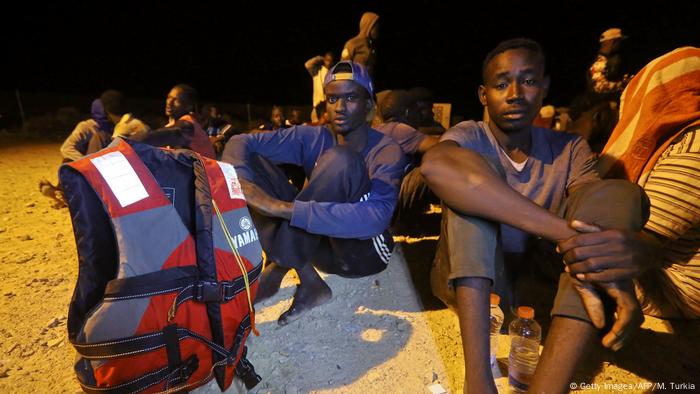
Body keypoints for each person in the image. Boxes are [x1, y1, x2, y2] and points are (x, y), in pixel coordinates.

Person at [420, 38, 648, 393]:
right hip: (474, 282)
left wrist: (616, 258)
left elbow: (597, 208)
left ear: (544, 87)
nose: (514, 93)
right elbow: (436, 166)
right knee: (470, 207)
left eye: (527, 81)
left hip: (533, 286)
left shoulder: (568, 148)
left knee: (620, 194)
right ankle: (477, 379)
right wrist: (565, 233)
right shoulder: (470, 136)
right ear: (483, 95)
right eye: (500, 84)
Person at [222, 60, 405, 326]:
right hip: (318, 251)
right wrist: (243, 184)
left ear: (368, 104)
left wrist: (281, 208)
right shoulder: (314, 136)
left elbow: (375, 218)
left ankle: (279, 262)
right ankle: (310, 282)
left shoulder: (387, 149)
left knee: (343, 161)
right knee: (250, 161)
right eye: (333, 99)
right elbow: (240, 142)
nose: (340, 107)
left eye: (351, 97)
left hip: (361, 255)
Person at [563, 46, 700, 320]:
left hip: (673, 288)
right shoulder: (671, 143)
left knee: (568, 255)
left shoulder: (693, 149)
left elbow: (625, 244)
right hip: (652, 263)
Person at [134, 84, 215, 158]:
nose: (169, 102)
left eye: (177, 100)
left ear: (189, 107)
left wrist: (128, 142)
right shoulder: (172, 126)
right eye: (169, 97)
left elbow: (169, 134)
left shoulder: (188, 125)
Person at [341, 12, 379, 76]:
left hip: (367, 84)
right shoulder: (352, 44)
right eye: (375, 27)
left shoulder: (372, 47)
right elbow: (343, 68)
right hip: (354, 84)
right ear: (368, 26)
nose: (378, 30)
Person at [305, 51, 335, 123]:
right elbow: (307, 64)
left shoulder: (333, 73)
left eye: (330, 61)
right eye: (327, 60)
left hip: (328, 108)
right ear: (324, 60)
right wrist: (319, 58)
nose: (328, 63)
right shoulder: (317, 71)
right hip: (317, 107)